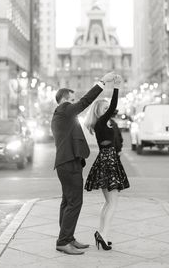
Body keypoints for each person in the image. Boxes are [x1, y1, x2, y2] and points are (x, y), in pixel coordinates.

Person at [51, 71, 116, 255]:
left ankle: (67, 237)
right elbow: (85, 102)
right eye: (72, 99)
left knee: (67, 202)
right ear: (64, 100)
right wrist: (103, 82)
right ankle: (63, 241)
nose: (75, 102)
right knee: (74, 203)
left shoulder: (62, 115)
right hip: (68, 163)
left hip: (68, 163)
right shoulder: (64, 110)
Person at [84, 75, 130, 250]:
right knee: (113, 203)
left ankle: (102, 233)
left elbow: (113, 109)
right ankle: (103, 234)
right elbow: (114, 106)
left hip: (105, 161)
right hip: (109, 161)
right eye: (104, 108)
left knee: (108, 202)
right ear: (99, 111)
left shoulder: (100, 124)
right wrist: (116, 87)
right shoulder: (102, 121)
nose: (108, 110)